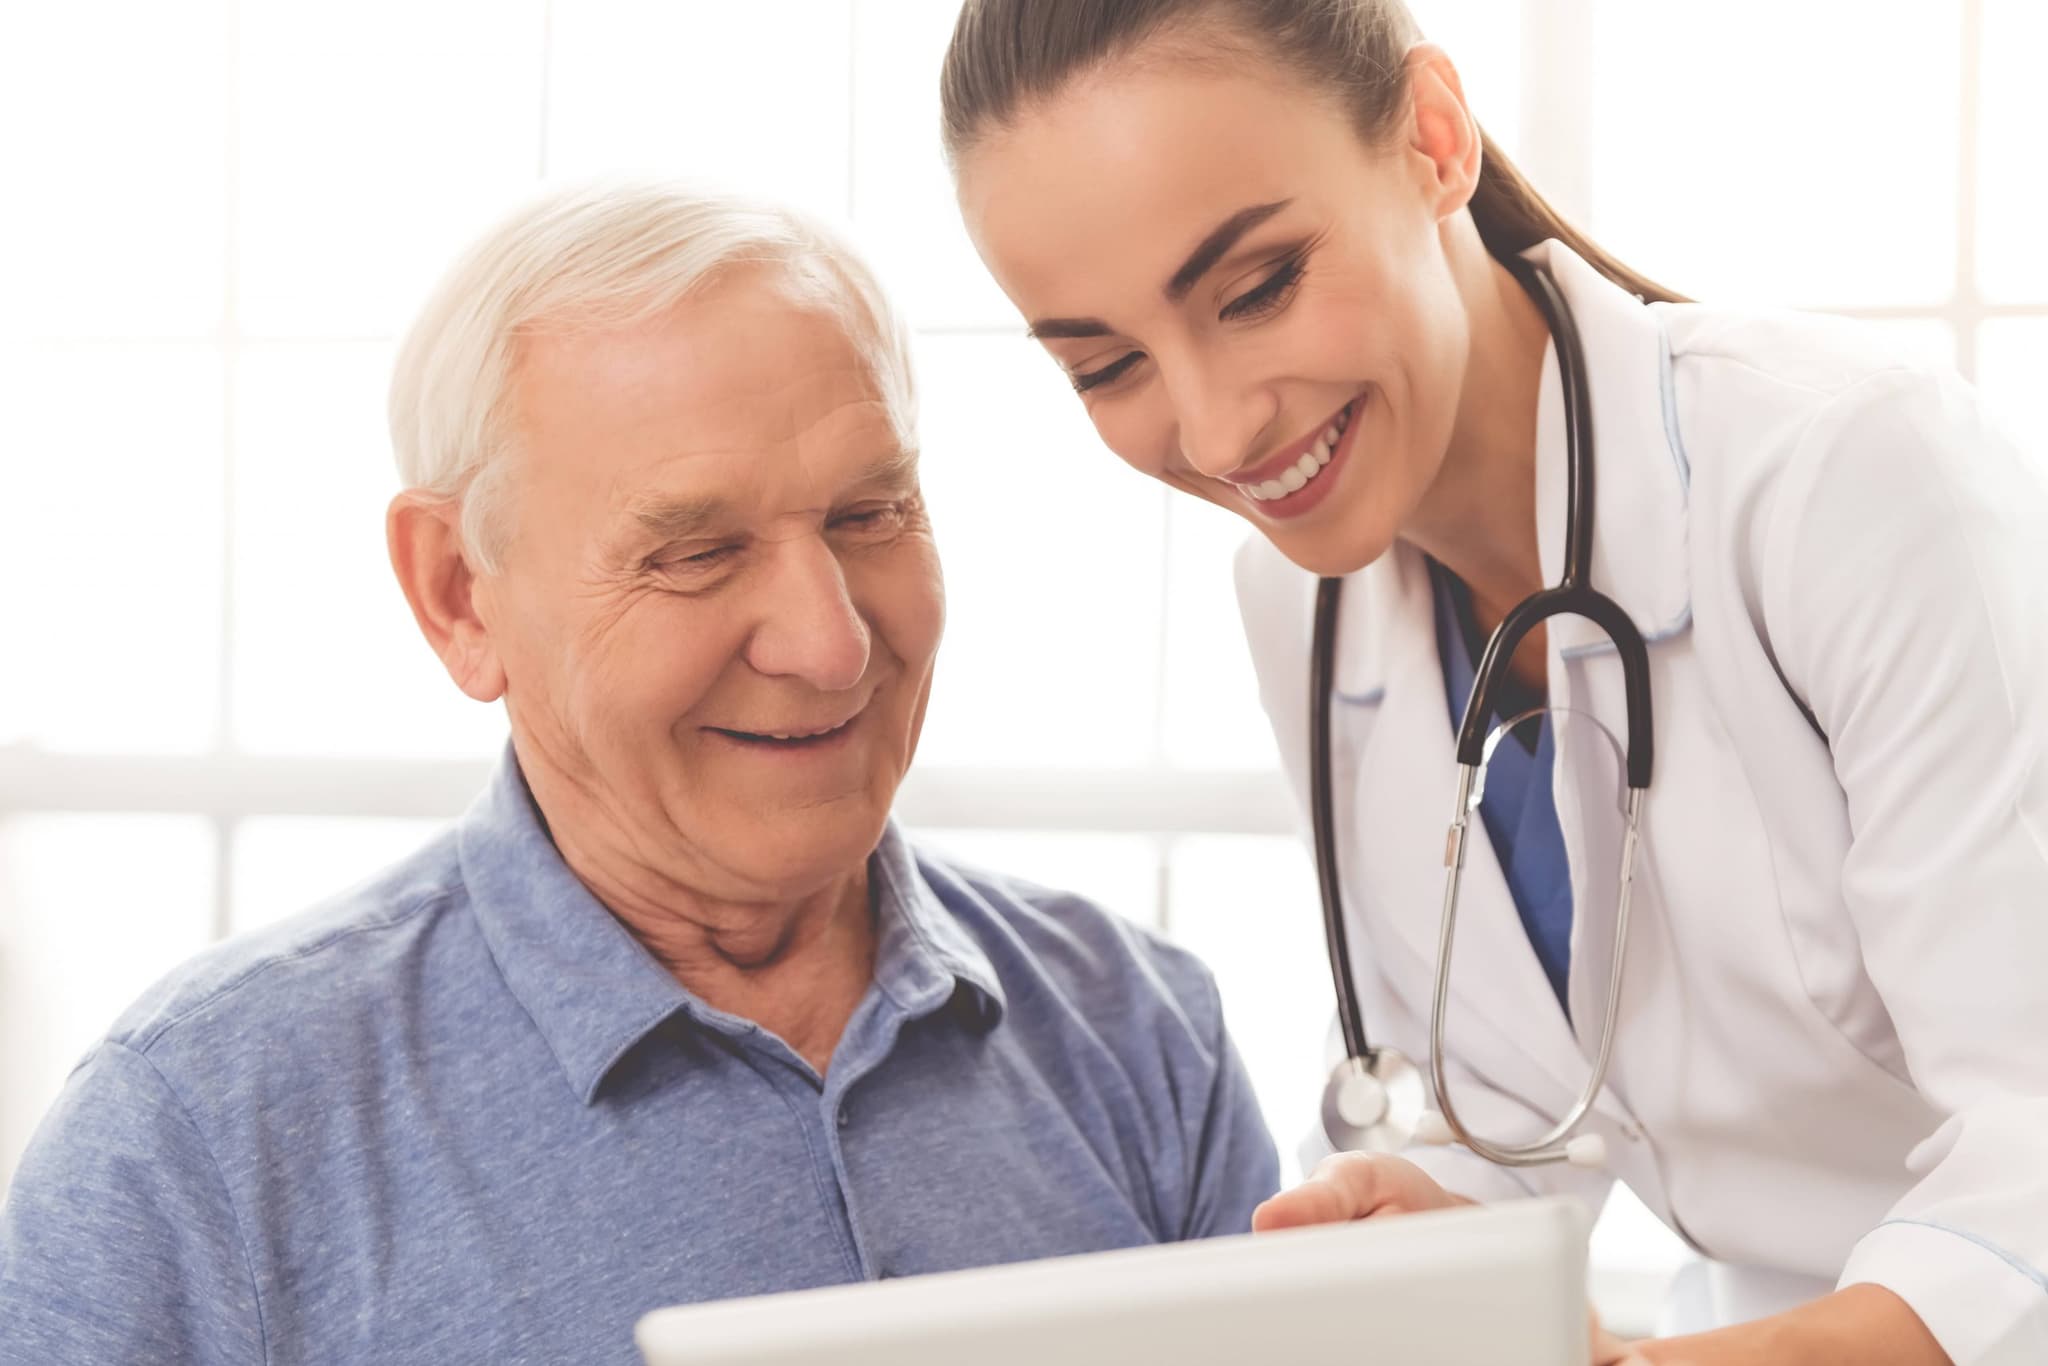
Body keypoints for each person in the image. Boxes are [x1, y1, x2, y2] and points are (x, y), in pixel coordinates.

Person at [0, 182, 1279, 1363]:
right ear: (458, 594)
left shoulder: (1143, 1034)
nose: (830, 644)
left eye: (867, 514)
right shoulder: (200, 1138)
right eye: (696, 553)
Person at [939, 2, 2048, 1363]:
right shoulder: (1304, 603)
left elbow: (2032, 1147)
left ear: (1432, 137)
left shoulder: (1846, 477)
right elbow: (1524, 1096)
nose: (1217, 428)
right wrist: (1437, 1220)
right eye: (1105, 365)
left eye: (1257, 287)